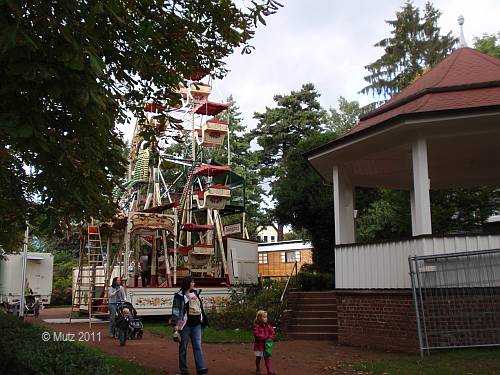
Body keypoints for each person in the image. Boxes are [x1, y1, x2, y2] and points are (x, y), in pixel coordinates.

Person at [171, 277, 209, 375]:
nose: (194, 283)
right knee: (183, 347)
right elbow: (176, 310)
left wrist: (202, 319)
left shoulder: (195, 293)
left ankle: (201, 367)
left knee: (197, 346)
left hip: (196, 324)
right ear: (187, 283)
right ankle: (184, 370)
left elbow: (200, 307)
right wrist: (175, 324)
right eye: (192, 282)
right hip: (185, 324)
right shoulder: (179, 295)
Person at [253, 310, 276, 375]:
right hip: (259, 346)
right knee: (258, 358)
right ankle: (257, 368)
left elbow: (272, 332)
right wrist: (265, 337)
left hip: (266, 345)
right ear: (260, 318)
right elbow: (256, 335)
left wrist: (270, 337)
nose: (266, 318)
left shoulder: (268, 326)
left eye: (266, 317)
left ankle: (269, 371)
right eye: (264, 317)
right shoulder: (257, 326)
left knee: (267, 358)